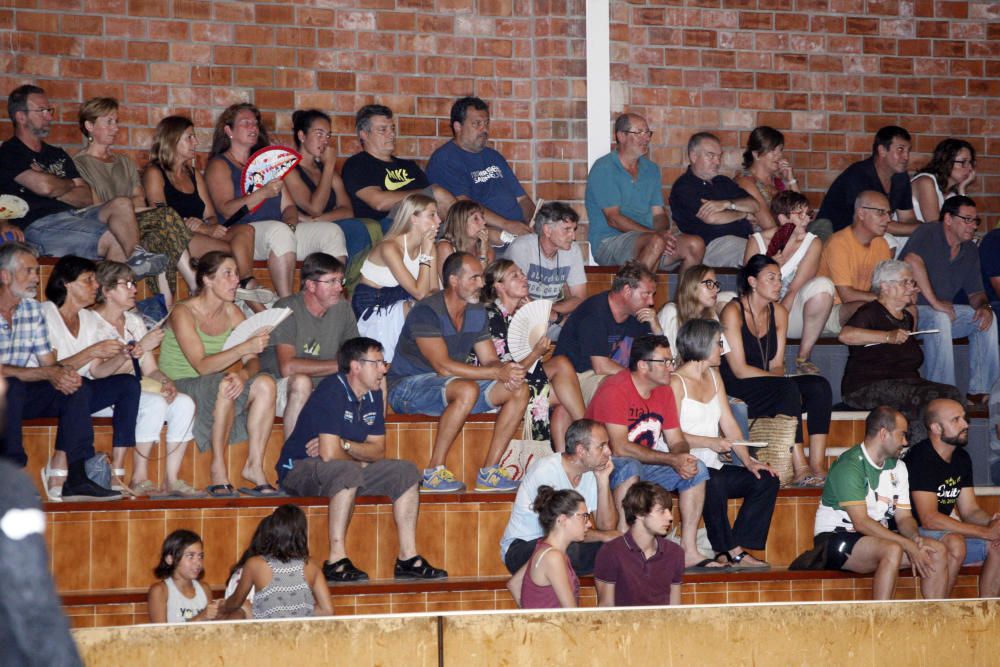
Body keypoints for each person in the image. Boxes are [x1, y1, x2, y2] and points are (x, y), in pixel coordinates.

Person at [276, 337, 447, 582]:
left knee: (407, 471)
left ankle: (408, 557)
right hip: (299, 468)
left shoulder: (373, 394)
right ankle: (335, 560)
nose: (384, 369)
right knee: (346, 471)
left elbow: (378, 450)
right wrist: (356, 456)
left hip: (342, 467)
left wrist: (345, 445)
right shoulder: (332, 389)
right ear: (355, 367)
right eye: (377, 363)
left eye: (383, 363)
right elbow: (328, 454)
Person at [387, 252, 531, 492]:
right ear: (454, 281)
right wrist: (496, 374)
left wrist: (506, 370)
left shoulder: (476, 311)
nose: (481, 284)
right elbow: (442, 366)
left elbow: (489, 360)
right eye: (474, 278)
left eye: (481, 278)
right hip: (407, 388)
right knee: (466, 388)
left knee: (518, 389)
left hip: (451, 385)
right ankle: (433, 472)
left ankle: (490, 472)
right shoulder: (427, 311)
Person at [585, 334, 720, 571]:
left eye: (671, 361)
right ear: (643, 365)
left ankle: (688, 550)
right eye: (665, 362)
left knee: (697, 468)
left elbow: (676, 440)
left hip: (644, 462)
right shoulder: (615, 388)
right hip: (604, 466)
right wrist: (671, 459)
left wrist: (681, 457)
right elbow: (619, 447)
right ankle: (626, 548)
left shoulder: (664, 391)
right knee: (629, 465)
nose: (671, 367)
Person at [0, 85, 165, 277]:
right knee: (114, 237)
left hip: (76, 216)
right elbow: (44, 187)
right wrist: (67, 184)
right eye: (42, 110)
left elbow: (86, 197)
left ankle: (136, 255)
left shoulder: (57, 154)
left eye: (49, 110)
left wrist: (54, 185)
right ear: (21, 116)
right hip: (41, 226)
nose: (49, 116)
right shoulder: (9, 153)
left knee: (122, 203)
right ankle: (111, 298)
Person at [0, 243, 119, 499]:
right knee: (13, 386)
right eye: (29, 271)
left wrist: (62, 375)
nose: (35, 277)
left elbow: (47, 364)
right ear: (5, 276)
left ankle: (75, 476)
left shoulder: (31, 310)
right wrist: (49, 374)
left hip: (21, 394)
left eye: (36, 271)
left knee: (78, 385)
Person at [158, 252, 279, 497]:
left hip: (213, 381)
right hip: (180, 383)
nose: (236, 280)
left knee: (266, 383)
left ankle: (254, 466)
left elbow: (253, 361)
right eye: (228, 274)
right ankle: (218, 468)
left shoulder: (233, 312)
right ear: (207, 280)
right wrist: (245, 347)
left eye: (236, 274)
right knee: (224, 384)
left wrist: (244, 375)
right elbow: (201, 366)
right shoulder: (183, 312)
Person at [808, 406, 951, 600]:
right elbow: (861, 523)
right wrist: (907, 545)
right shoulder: (849, 465)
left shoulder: (899, 467)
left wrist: (914, 538)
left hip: (875, 539)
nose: (905, 441)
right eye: (902, 435)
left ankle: (935, 621)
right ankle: (882, 623)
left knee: (938, 550)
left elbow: (904, 518)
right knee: (892, 549)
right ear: (884, 434)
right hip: (835, 539)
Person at [205, 103, 347, 298]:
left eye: (255, 123)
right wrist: (262, 193)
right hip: (245, 234)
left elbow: (288, 206)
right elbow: (226, 210)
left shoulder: (267, 163)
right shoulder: (220, 164)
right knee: (279, 231)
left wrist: (290, 222)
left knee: (332, 232)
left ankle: (318, 298)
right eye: (245, 123)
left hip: (278, 234)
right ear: (229, 130)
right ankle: (286, 301)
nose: (253, 128)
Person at [671, 319, 778, 568]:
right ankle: (731, 549)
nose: (723, 349)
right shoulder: (675, 382)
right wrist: (710, 442)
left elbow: (729, 423)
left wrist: (749, 460)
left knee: (767, 479)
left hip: (712, 462)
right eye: (719, 343)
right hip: (683, 463)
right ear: (702, 344)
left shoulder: (714, 375)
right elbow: (671, 434)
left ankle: (733, 546)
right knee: (712, 479)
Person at [91, 261, 201, 497]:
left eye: (134, 283)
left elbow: (150, 369)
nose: (134, 289)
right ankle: (139, 476)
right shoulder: (91, 321)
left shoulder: (134, 321)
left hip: (134, 390)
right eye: (127, 284)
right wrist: (139, 347)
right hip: (100, 394)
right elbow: (97, 372)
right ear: (107, 290)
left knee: (184, 403)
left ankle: (172, 479)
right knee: (154, 403)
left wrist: (165, 382)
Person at [720, 254, 832, 485]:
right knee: (788, 387)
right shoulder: (733, 311)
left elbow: (777, 365)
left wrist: (780, 384)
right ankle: (800, 466)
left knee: (819, 386)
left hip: (768, 383)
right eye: (771, 278)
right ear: (752, 282)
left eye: (780, 279)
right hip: (736, 387)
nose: (778, 284)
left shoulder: (779, 312)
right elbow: (739, 370)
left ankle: (818, 464)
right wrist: (781, 385)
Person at [40, 255, 142, 499]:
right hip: (45, 390)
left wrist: (123, 357)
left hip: (80, 389)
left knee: (128, 385)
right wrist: (92, 351)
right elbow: (51, 368)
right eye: (88, 281)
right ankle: (63, 463)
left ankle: (117, 469)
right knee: (80, 387)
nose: (95, 286)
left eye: (96, 281)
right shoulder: (46, 312)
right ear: (67, 283)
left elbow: (97, 371)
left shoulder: (88, 318)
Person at [74, 97, 189, 300]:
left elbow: (138, 197)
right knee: (167, 216)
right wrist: (124, 210)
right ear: (90, 126)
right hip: (102, 226)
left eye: (116, 121)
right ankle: (190, 283)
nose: (115, 128)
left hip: (134, 221)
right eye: (108, 122)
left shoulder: (124, 162)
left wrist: (128, 212)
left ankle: (165, 302)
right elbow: (94, 205)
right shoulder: (78, 164)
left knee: (158, 237)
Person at [501, 419, 637, 590]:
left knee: (618, 549)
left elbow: (607, 526)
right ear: (581, 450)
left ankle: (607, 608)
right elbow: (559, 531)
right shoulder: (546, 471)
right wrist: (604, 537)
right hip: (523, 547)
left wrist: (603, 481)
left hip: (560, 543)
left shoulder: (589, 472)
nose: (609, 452)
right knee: (568, 552)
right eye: (601, 446)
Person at [838, 259, 962, 445]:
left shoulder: (907, 317)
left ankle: (943, 451)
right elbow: (846, 335)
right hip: (867, 386)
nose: (912, 288)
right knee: (924, 399)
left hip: (906, 383)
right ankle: (917, 456)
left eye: (912, 283)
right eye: (906, 282)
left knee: (951, 395)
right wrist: (887, 337)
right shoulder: (870, 312)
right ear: (885, 287)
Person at [142, 115, 262, 305]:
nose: (195, 142)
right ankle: (239, 293)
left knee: (246, 230)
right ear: (172, 140)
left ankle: (246, 282)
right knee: (227, 251)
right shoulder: (155, 172)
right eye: (189, 137)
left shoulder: (193, 173)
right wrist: (203, 229)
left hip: (200, 232)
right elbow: (161, 217)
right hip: (175, 236)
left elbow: (211, 215)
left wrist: (210, 226)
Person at [478, 260, 585, 451]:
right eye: (515, 276)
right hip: (499, 385)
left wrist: (530, 316)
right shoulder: (491, 316)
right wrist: (536, 352)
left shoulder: (515, 315)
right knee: (565, 398)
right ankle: (583, 437)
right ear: (499, 286)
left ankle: (566, 451)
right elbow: (508, 373)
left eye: (522, 273)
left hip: (522, 374)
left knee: (561, 363)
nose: (524, 277)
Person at [901, 195, 998, 404]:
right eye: (967, 219)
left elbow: (975, 293)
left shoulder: (970, 249)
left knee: (984, 318)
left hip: (943, 311)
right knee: (940, 317)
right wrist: (935, 302)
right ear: (948, 219)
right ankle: (941, 394)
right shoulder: (928, 232)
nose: (972, 226)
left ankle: (980, 391)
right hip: (911, 311)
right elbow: (911, 260)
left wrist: (984, 307)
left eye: (975, 221)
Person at [585, 113, 704, 272]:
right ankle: (634, 294)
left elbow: (658, 214)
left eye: (648, 133)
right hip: (610, 241)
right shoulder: (604, 168)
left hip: (649, 238)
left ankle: (682, 297)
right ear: (621, 136)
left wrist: (662, 233)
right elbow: (613, 219)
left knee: (695, 244)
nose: (646, 138)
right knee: (655, 242)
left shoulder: (651, 169)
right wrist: (656, 235)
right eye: (639, 132)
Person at [259, 253, 359, 439]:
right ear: (311, 285)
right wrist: (342, 364)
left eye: (340, 280)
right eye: (331, 281)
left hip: (322, 387)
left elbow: (353, 355)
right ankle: (292, 457)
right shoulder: (286, 308)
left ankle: (360, 457)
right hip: (278, 388)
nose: (339, 287)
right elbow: (288, 367)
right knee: (302, 382)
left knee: (373, 379)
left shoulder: (343, 308)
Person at [908, 399, 1000, 597]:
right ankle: (938, 616)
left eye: (964, 419)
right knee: (955, 543)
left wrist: (994, 524)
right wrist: (985, 533)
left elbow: (970, 511)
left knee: (998, 545)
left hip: (940, 531)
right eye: (956, 420)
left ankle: (989, 616)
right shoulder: (921, 458)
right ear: (936, 427)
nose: (966, 425)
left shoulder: (961, 458)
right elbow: (929, 519)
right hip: (913, 532)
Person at [743, 190, 837, 374]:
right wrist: (770, 265)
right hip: (757, 312)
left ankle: (803, 357)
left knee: (824, 286)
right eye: (799, 214)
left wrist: (776, 322)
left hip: (790, 311)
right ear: (783, 218)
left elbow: (795, 289)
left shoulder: (812, 242)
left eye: (808, 214)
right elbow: (748, 284)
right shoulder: (758, 241)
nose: (807, 220)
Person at [427, 96, 534, 243]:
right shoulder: (446, 159)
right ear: (458, 127)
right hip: (488, 236)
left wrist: (530, 221)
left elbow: (522, 198)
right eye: (477, 124)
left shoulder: (493, 156)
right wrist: (506, 225)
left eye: (486, 123)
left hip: (519, 231)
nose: (484, 129)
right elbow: (463, 206)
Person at [553, 261, 662, 405]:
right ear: (627, 291)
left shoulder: (638, 316)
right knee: (616, 386)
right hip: (575, 377)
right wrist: (639, 378)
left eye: (652, 295)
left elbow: (660, 358)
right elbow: (601, 367)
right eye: (646, 294)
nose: (651, 301)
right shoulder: (595, 312)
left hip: (606, 375)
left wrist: (656, 328)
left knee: (664, 382)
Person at [351, 192, 440, 363]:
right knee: (419, 307)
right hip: (373, 306)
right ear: (413, 219)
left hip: (402, 302)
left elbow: (434, 291)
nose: (439, 221)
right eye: (432, 215)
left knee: (441, 306)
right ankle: (429, 362)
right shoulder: (390, 247)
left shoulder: (428, 247)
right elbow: (420, 293)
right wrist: (426, 256)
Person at [341, 104, 454, 231]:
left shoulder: (409, 166)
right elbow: (379, 202)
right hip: (386, 225)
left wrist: (429, 195)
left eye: (392, 128)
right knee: (438, 194)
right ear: (364, 135)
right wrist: (428, 193)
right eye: (383, 129)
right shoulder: (357, 164)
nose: (391, 134)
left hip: (422, 221)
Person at [284, 109, 372, 262]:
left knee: (362, 226)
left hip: (320, 226)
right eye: (319, 134)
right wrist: (330, 165)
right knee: (352, 229)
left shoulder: (327, 172)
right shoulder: (290, 170)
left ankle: (347, 280)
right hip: (298, 231)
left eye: (328, 135)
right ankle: (342, 280)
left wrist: (316, 220)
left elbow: (347, 210)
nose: (325, 140)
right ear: (302, 136)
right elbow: (314, 207)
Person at [220, 504, 333, 618]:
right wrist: (301, 610)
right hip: (301, 632)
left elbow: (235, 602)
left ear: (274, 529)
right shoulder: (311, 565)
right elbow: (327, 610)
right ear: (303, 533)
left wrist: (222, 607)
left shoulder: (255, 564)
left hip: (268, 633)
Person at [668, 132, 759, 268]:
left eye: (719, 156)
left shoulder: (723, 182)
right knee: (759, 254)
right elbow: (712, 218)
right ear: (694, 156)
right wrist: (742, 214)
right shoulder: (685, 186)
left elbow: (754, 205)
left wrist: (727, 204)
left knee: (785, 246)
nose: (717, 162)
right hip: (713, 245)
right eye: (711, 155)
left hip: (745, 239)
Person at [816, 125, 918, 240]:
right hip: (837, 237)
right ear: (882, 150)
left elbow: (907, 218)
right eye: (900, 149)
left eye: (908, 151)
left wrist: (928, 228)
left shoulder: (900, 177)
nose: (906, 156)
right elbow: (873, 223)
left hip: (871, 233)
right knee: (887, 241)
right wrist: (920, 229)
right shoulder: (858, 176)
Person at [594, 481, 685, 606]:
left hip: (662, 624)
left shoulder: (675, 552)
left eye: (669, 510)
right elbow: (606, 608)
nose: (670, 517)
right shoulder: (611, 551)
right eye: (661, 511)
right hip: (623, 624)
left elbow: (675, 608)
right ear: (639, 513)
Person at [817, 190, 894, 329]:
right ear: (861, 213)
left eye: (889, 213)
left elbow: (884, 287)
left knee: (909, 310)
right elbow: (847, 296)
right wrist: (887, 299)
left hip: (865, 306)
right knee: (868, 309)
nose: (888, 219)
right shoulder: (838, 243)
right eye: (881, 212)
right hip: (831, 311)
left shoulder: (881, 244)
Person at [506, 201, 587, 332]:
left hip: (553, 316)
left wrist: (549, 313)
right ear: (547, 230)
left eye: (574, 229)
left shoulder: (573, 250)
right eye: (567, 229)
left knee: (586, 327)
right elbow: (518, 299)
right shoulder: (522, 248)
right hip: (521, 317)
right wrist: (551, 315)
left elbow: (579, 298)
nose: (573, 236)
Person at [516, 486, 588, 609]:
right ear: (562, 519)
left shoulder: (544, 550)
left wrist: (531, 619)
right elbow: (572, 612)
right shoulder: (553, 557)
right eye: (584, 516)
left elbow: (514, 583)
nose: (589, 523)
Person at [734, 126, 801, 233]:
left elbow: (801, 213)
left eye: (780, 150)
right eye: (773, 150)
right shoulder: (746, 182)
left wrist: (791, 180)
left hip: (788, 234)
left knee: (822, 225)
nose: (779, 155)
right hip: (764, 241)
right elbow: (769, 226)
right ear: (756, 154)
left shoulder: (778, 182)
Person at [147, 530, 222, 623]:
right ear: (170, 559)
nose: (198, 563)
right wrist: (200, 617)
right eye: (190, 556)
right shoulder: (160, 591)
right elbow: (161, 635)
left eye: (200, 556)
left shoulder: (204, 589)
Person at [911, 138, 977, 223]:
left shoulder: (951, 195)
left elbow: (965, 224)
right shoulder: (926, 181)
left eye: (971, 162)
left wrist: (962, 189)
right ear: (946, 161)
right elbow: (935, 225)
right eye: (963, 162)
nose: (970, 168)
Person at [435, 199, 494, 277]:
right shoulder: (445, 247)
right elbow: (452, 287)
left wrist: (483, 253)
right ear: (460, 223)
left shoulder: (486, 248)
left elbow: (482, 284)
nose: (484, 222)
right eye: (476, 219)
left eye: (482, 217)